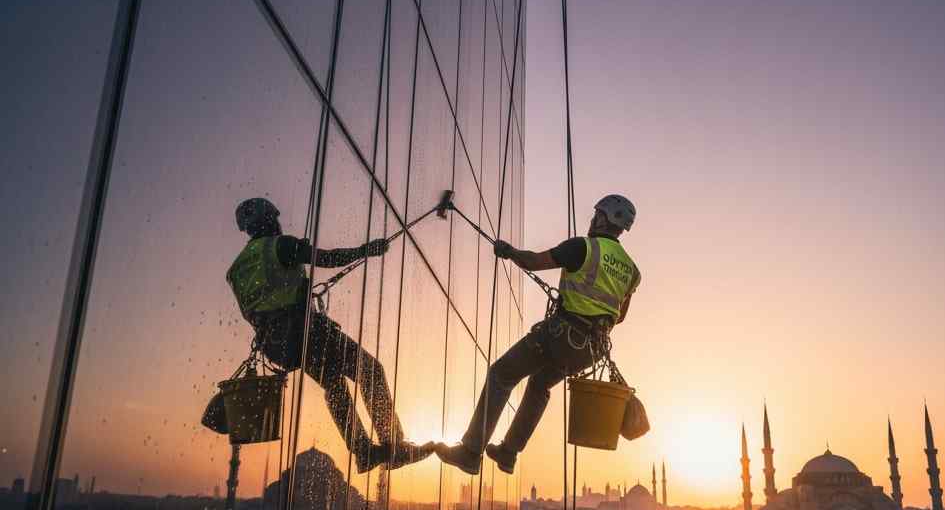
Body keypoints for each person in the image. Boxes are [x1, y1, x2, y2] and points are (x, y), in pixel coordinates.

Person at [435, 195, 639, 475]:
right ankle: (508, 453)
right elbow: (620, 315)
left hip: (560, 335)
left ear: (604, 219)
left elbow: (533, 261)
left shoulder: (584, 247)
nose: (592, 220)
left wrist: (510, 252)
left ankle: (470, 452)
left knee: (502, 374)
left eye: (597, 215)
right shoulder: (632, 271)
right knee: (540, 385)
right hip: (589, 350)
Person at [227, 197, 434, 472]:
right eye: (275, 219)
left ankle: (363, 452)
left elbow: (255, 309)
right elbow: (325, 258)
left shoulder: (236, 270)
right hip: (307, 332)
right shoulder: (278, 246)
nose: (278, 224)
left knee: (334, 384)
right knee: (370, 370)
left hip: (279, 346)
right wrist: (365, 250)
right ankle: (394, 445)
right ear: (268, 220)